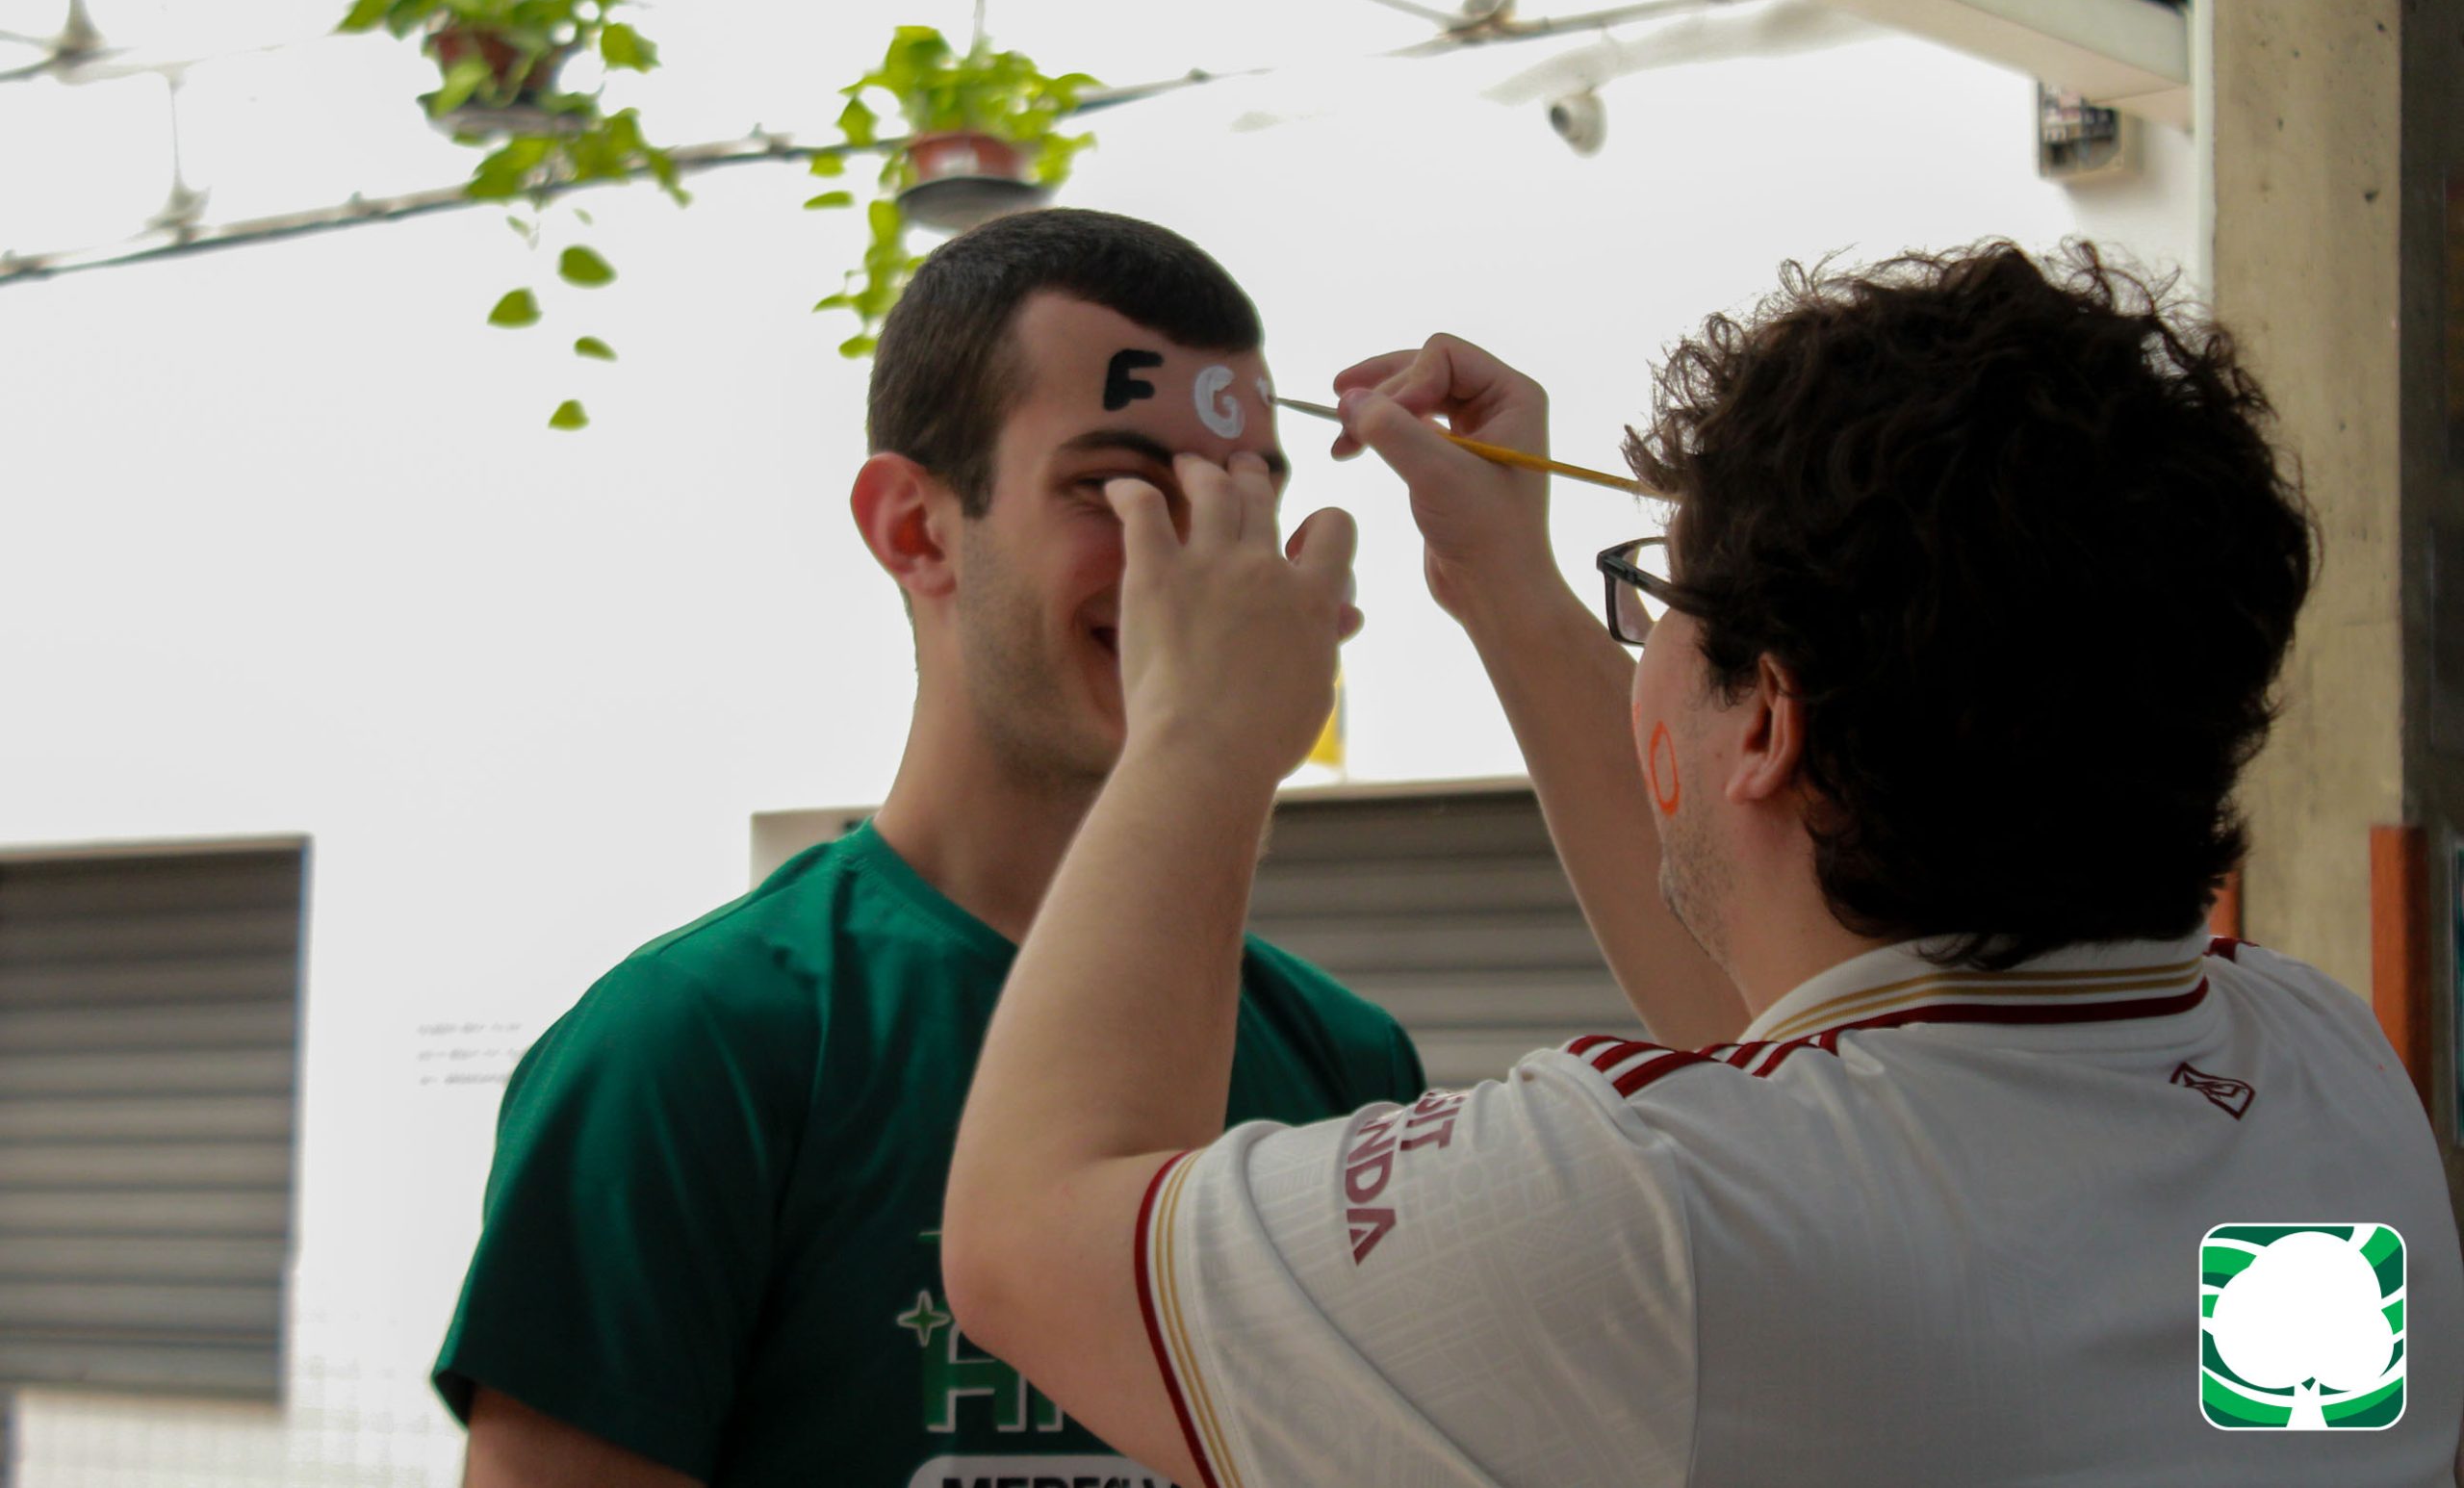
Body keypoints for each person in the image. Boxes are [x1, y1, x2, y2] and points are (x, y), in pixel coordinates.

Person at [941, 243, 2464, 1486]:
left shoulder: (1639, 1220)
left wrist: (1204, 732)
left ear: (1771, 721)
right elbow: (1797, 1074)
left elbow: (1027, 1239)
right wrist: (1509, 586)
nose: (1646, 651)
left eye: (1658, 596)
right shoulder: (2328, 1077)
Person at [431, 208, 1425, 1488]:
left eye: (1241, 495)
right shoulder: (685, 1047)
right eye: (1115, 486)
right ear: (915, 528)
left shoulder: (1349, 1057)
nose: (1192, 561)